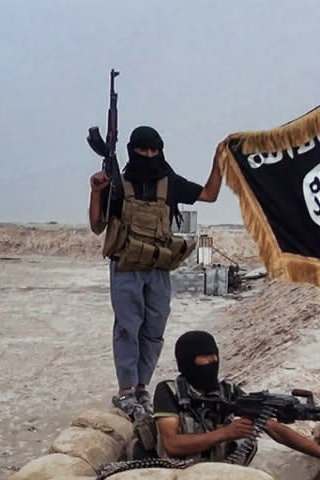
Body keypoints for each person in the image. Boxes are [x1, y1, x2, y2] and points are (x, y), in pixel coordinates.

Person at [89, 126, 222, 416]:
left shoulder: (169, 182)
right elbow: (98, 225)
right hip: (126, 265)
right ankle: (126, 390)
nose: (149, 155)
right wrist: (96, 192)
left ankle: (141, 388)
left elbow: (210, 194)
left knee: (153, 331)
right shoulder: (119, 183)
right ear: (132, 151)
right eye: (142, 150)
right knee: (127, 328)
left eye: (153, 150)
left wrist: (219, 160)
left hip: (158, 266)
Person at [153, 330, 320, 467]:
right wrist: (226, 433)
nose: (213, 362)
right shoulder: (169, 391)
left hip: (221, 472)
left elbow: (277, 430)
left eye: (214, 356)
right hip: (178, 473)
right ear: (186, 360)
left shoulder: (228, 391)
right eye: (205, 358)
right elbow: (172, 445)